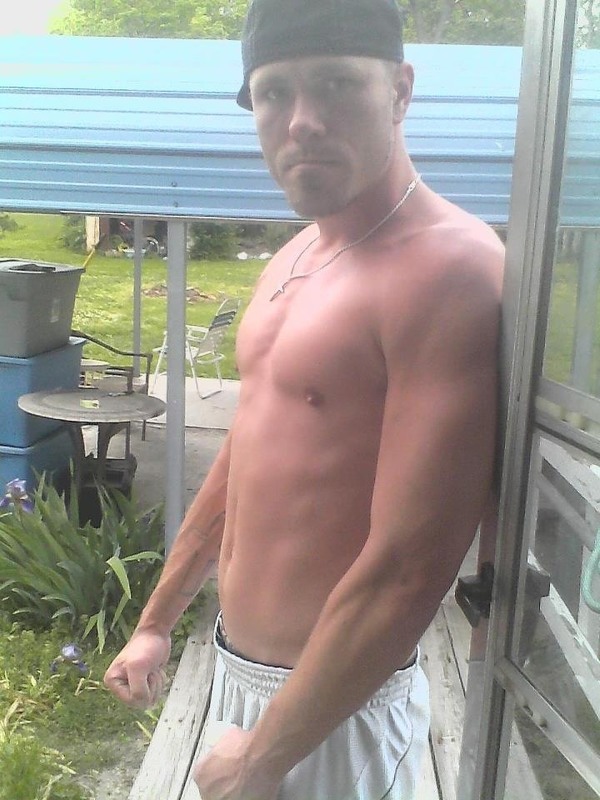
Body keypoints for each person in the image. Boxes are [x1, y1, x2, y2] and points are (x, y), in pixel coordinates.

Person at [104, 0, 504, 797]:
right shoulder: (294, 258)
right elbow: (244, 458)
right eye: (274, 92)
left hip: (333, 712)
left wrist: (262, 758)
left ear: (400, 90)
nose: (303, 121)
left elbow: (410, 565)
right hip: (236, 674)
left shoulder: (449, 269)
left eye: (336, 84)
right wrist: (156, 622)